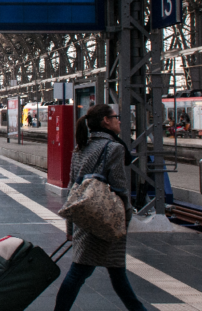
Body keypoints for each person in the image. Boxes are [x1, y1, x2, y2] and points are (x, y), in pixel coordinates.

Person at [54, 104, 146, 311]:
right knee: (82, 272)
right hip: (106, 221)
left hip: (85, 219)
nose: (119, 121)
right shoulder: (114, 148)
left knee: (113, 273)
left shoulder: (81, 148)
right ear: (106, 120)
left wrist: (71, 229)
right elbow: (121, 190)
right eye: (116, 117)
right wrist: (125, 220)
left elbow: (72, 190)